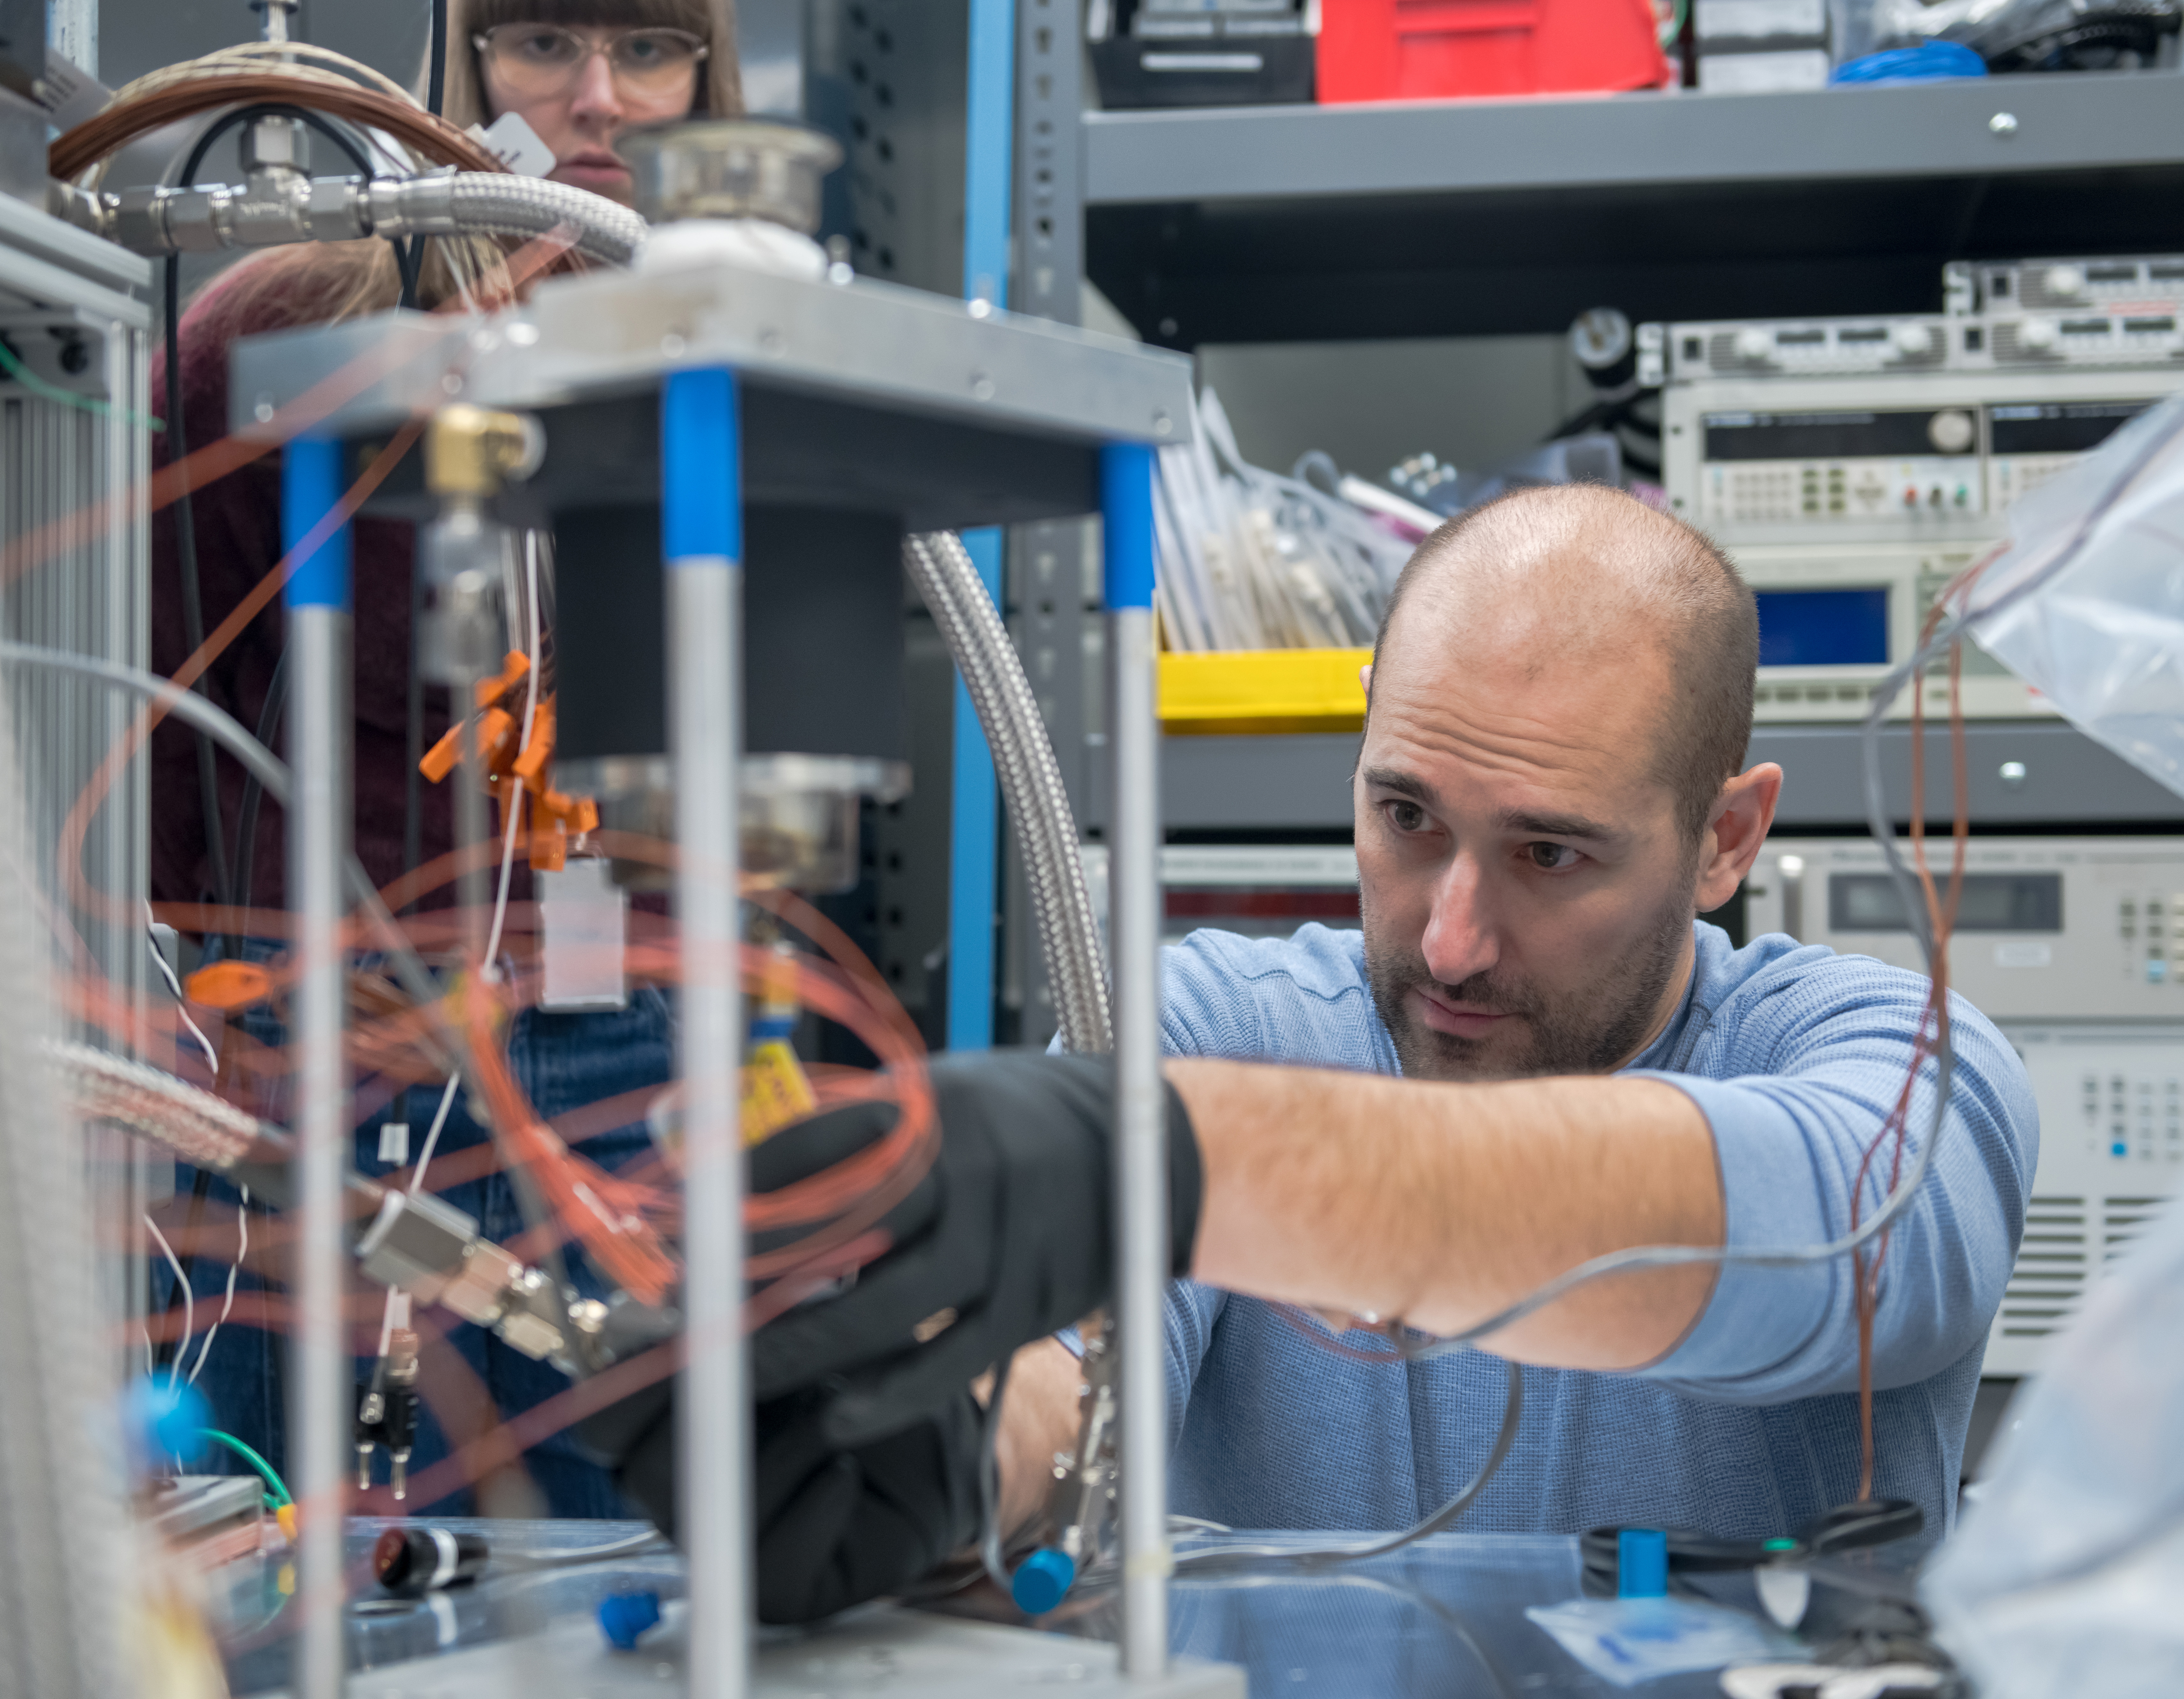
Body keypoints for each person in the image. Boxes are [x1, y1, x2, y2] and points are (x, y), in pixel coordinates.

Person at [586, 483, 2039, 1621]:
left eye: (1548, 852)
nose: (1454, 940)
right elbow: (1076, 1361)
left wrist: (1193, 1158)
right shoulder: (1223, 1023)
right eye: (1408, 818)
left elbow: (1833, 1232)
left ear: (1726, 837)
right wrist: (947, 1450)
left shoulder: (1898, 1062)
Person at [147, 0, 741, 1517]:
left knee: (631, 1571)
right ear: (458, 72)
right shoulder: (272, 345)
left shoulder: (737, 364)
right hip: (334, 1057)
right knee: (292, 1562)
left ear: (708, 89)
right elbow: (172, 745)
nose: (597, 96)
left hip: (633, 1061)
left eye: (651, 51)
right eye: (541, 40)